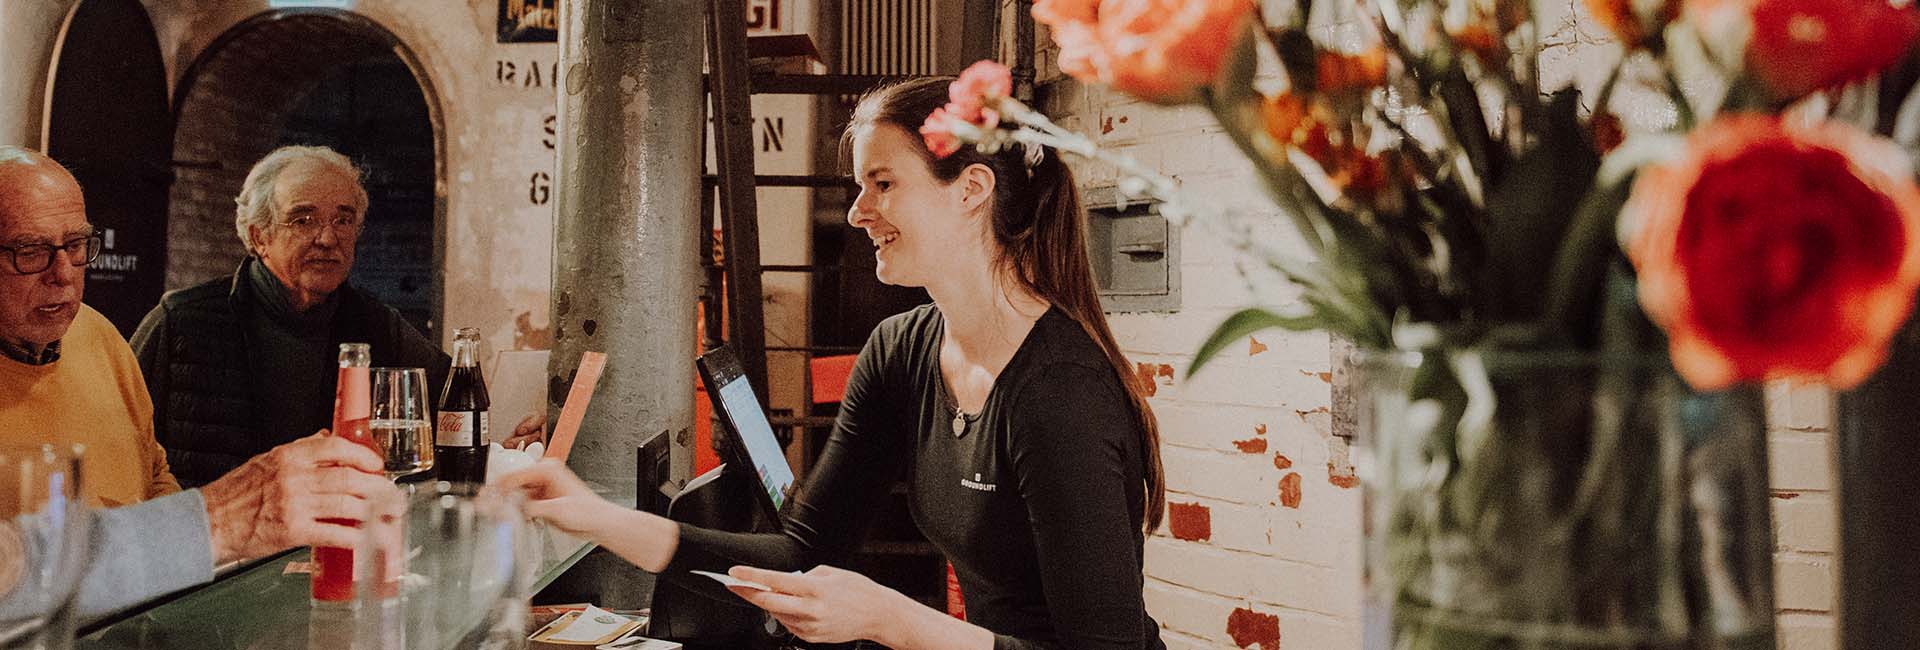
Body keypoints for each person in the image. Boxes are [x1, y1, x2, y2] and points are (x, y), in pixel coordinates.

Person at [505, 77, 1169, 650]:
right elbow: (801, 551)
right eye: (860, 187)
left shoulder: (1060, 393)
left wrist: (892, 620)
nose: (856, 213)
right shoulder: (901, 351)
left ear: (971, 189)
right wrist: (594, 516)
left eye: (882, 184)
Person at [131, 145, 450, 487]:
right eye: (303, 220)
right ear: (259, 236)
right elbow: (118, 448)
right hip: (210, 521)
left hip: (338, 521)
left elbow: (458, 403)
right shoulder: (181, 322)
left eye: (343, 220)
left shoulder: (378, 326)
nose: (328, 238)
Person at [0, 431, 399, 621]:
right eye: (27, 258)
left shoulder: (99, 337)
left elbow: (155, 467)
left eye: (75, 258)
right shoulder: (170, 320)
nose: (65, 288)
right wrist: (218, 521)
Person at [0, 146, 177, 506]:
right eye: (31, 251)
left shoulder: (99, 335)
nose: (63, 274)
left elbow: (154, 472)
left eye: (76, 245)